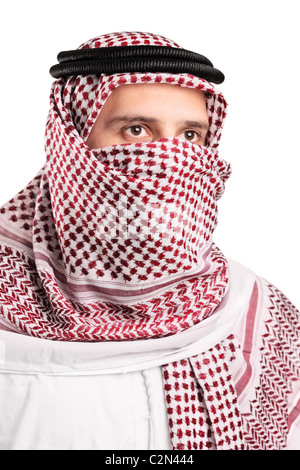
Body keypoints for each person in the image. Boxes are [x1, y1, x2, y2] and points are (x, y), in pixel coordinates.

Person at [0, 31, 299, 451]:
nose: (170, 160)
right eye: (136, 130)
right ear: (71, 143)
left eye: (191, 136)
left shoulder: (257, 309)